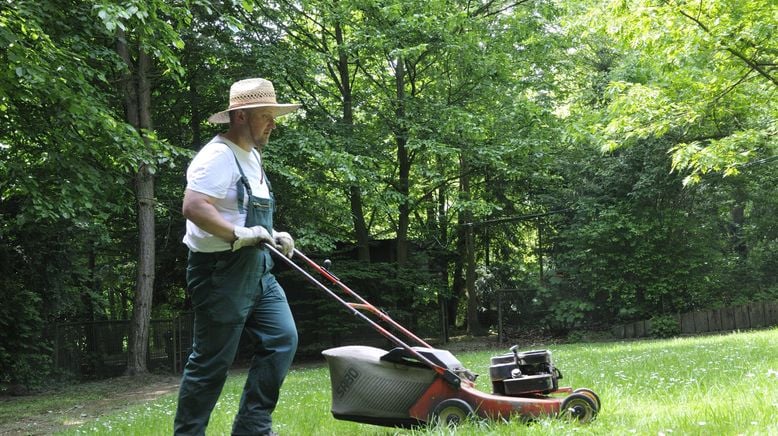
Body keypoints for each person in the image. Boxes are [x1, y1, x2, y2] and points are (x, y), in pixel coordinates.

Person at [174, 78, 301, 436]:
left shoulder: (252, 157)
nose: (273, 123)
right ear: (242, 116)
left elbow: (243, 212)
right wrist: (238, 235)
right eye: (266, 116)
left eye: (274, 117)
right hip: (221, 274)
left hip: (258, 270)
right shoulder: (217, 156)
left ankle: (252, 428)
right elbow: (194, 206)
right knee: (211, 364)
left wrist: (272, 235)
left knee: (282, 339)